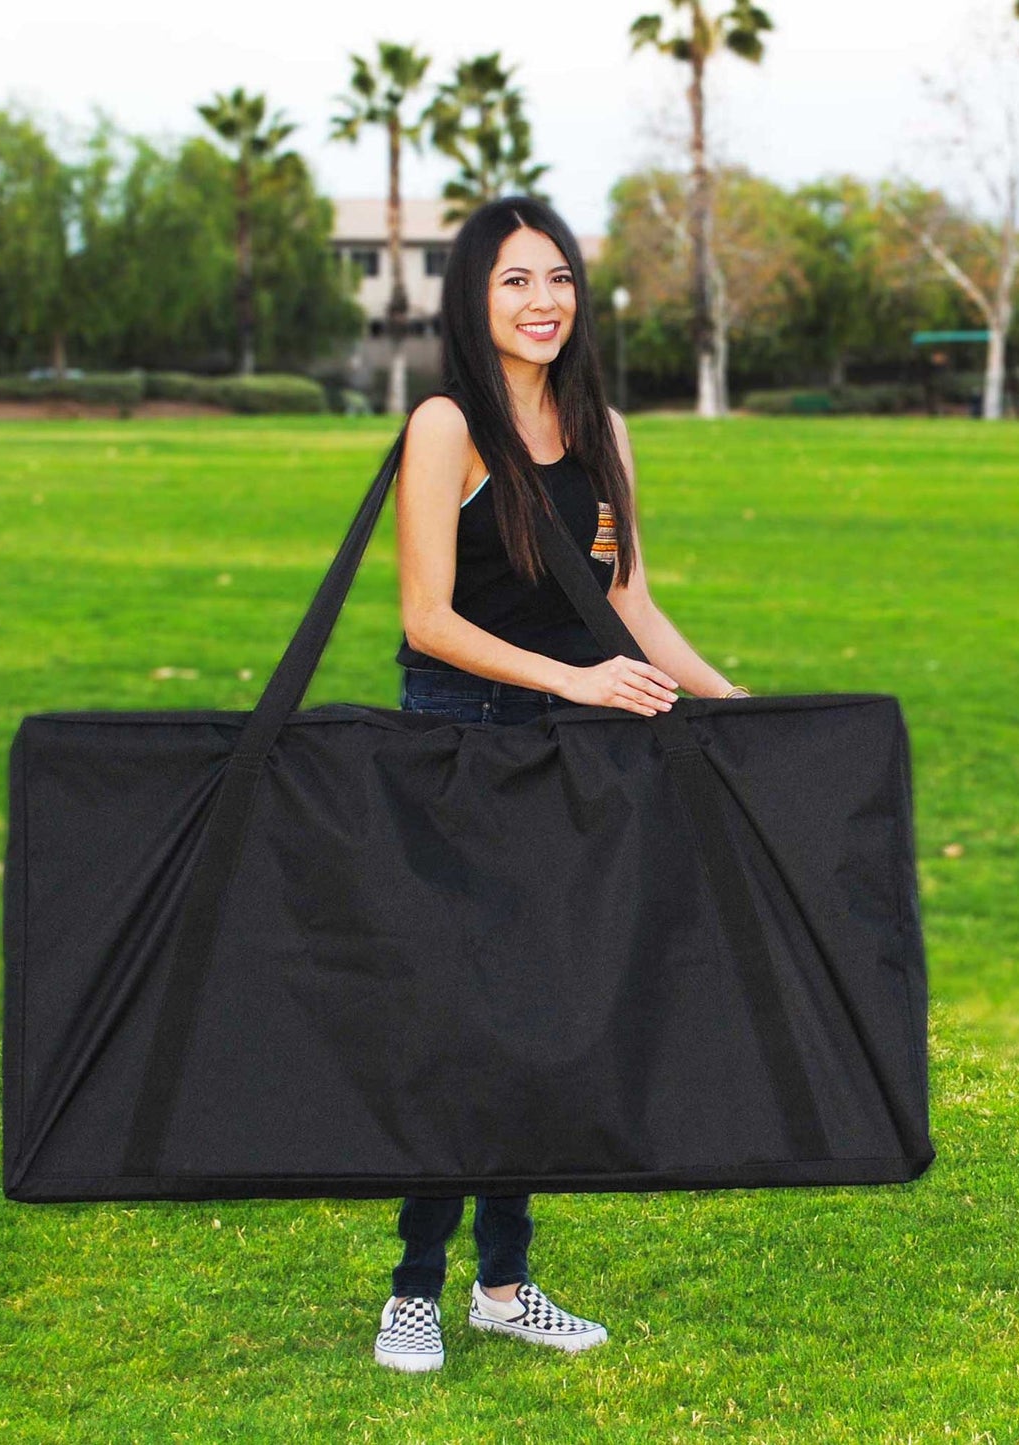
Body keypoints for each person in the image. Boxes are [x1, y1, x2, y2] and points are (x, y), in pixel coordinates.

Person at [375, 194, 751, 1374]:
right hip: (460, 741)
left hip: (572, 746)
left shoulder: (604, 431)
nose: (542, 302)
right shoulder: (447, 425)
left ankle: (503, 1280)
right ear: (471, 300)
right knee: (465, 1023)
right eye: (512, 281)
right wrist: (573, 680)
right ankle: (410, 1291)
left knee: (544, 1017)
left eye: (557, 279)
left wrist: (737, 706)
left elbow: (628, 606)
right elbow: (426, 618)